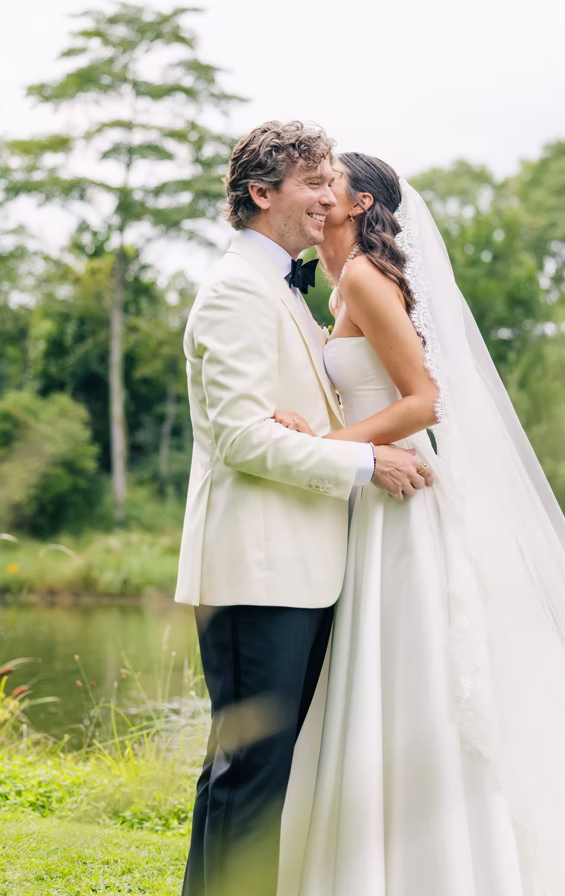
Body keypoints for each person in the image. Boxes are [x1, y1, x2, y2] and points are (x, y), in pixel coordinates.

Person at [274, 153, 565, 896]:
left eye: (327, 181)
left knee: (412, 672)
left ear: (359, 200)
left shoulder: (369, 280)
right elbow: (353, 392)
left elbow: (427, 399)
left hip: (399, 494)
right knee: (380, 670)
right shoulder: (339, 287)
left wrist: (317, 446)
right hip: (370, 491)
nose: (315, 192)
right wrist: (306, 423)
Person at [175, 123, 430, 896]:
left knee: (257, 776)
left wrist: (318, 430)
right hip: (257, 570)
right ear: (262, 193)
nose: (330, 197)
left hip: (299, 570)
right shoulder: (234, 291)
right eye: (314, 184)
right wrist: (363, 458)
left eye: (332, 183)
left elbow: (276, 419)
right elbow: (244, 440)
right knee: (248, 780)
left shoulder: (280, 288)